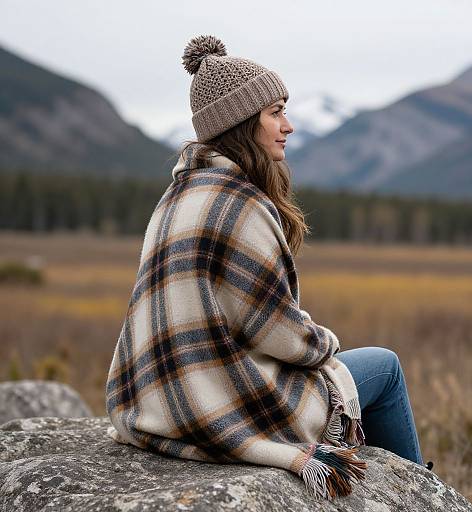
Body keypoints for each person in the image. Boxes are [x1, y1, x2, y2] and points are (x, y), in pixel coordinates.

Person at [105, 34, 431, 502]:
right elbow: (277, 332)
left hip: (156, 402)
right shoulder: (240, 204)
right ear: (243, 122)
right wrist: (326, 343)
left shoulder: (177, 195)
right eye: (275, 112)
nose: (288, 125)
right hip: (220, 402)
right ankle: (416, 491)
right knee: (383, 365)